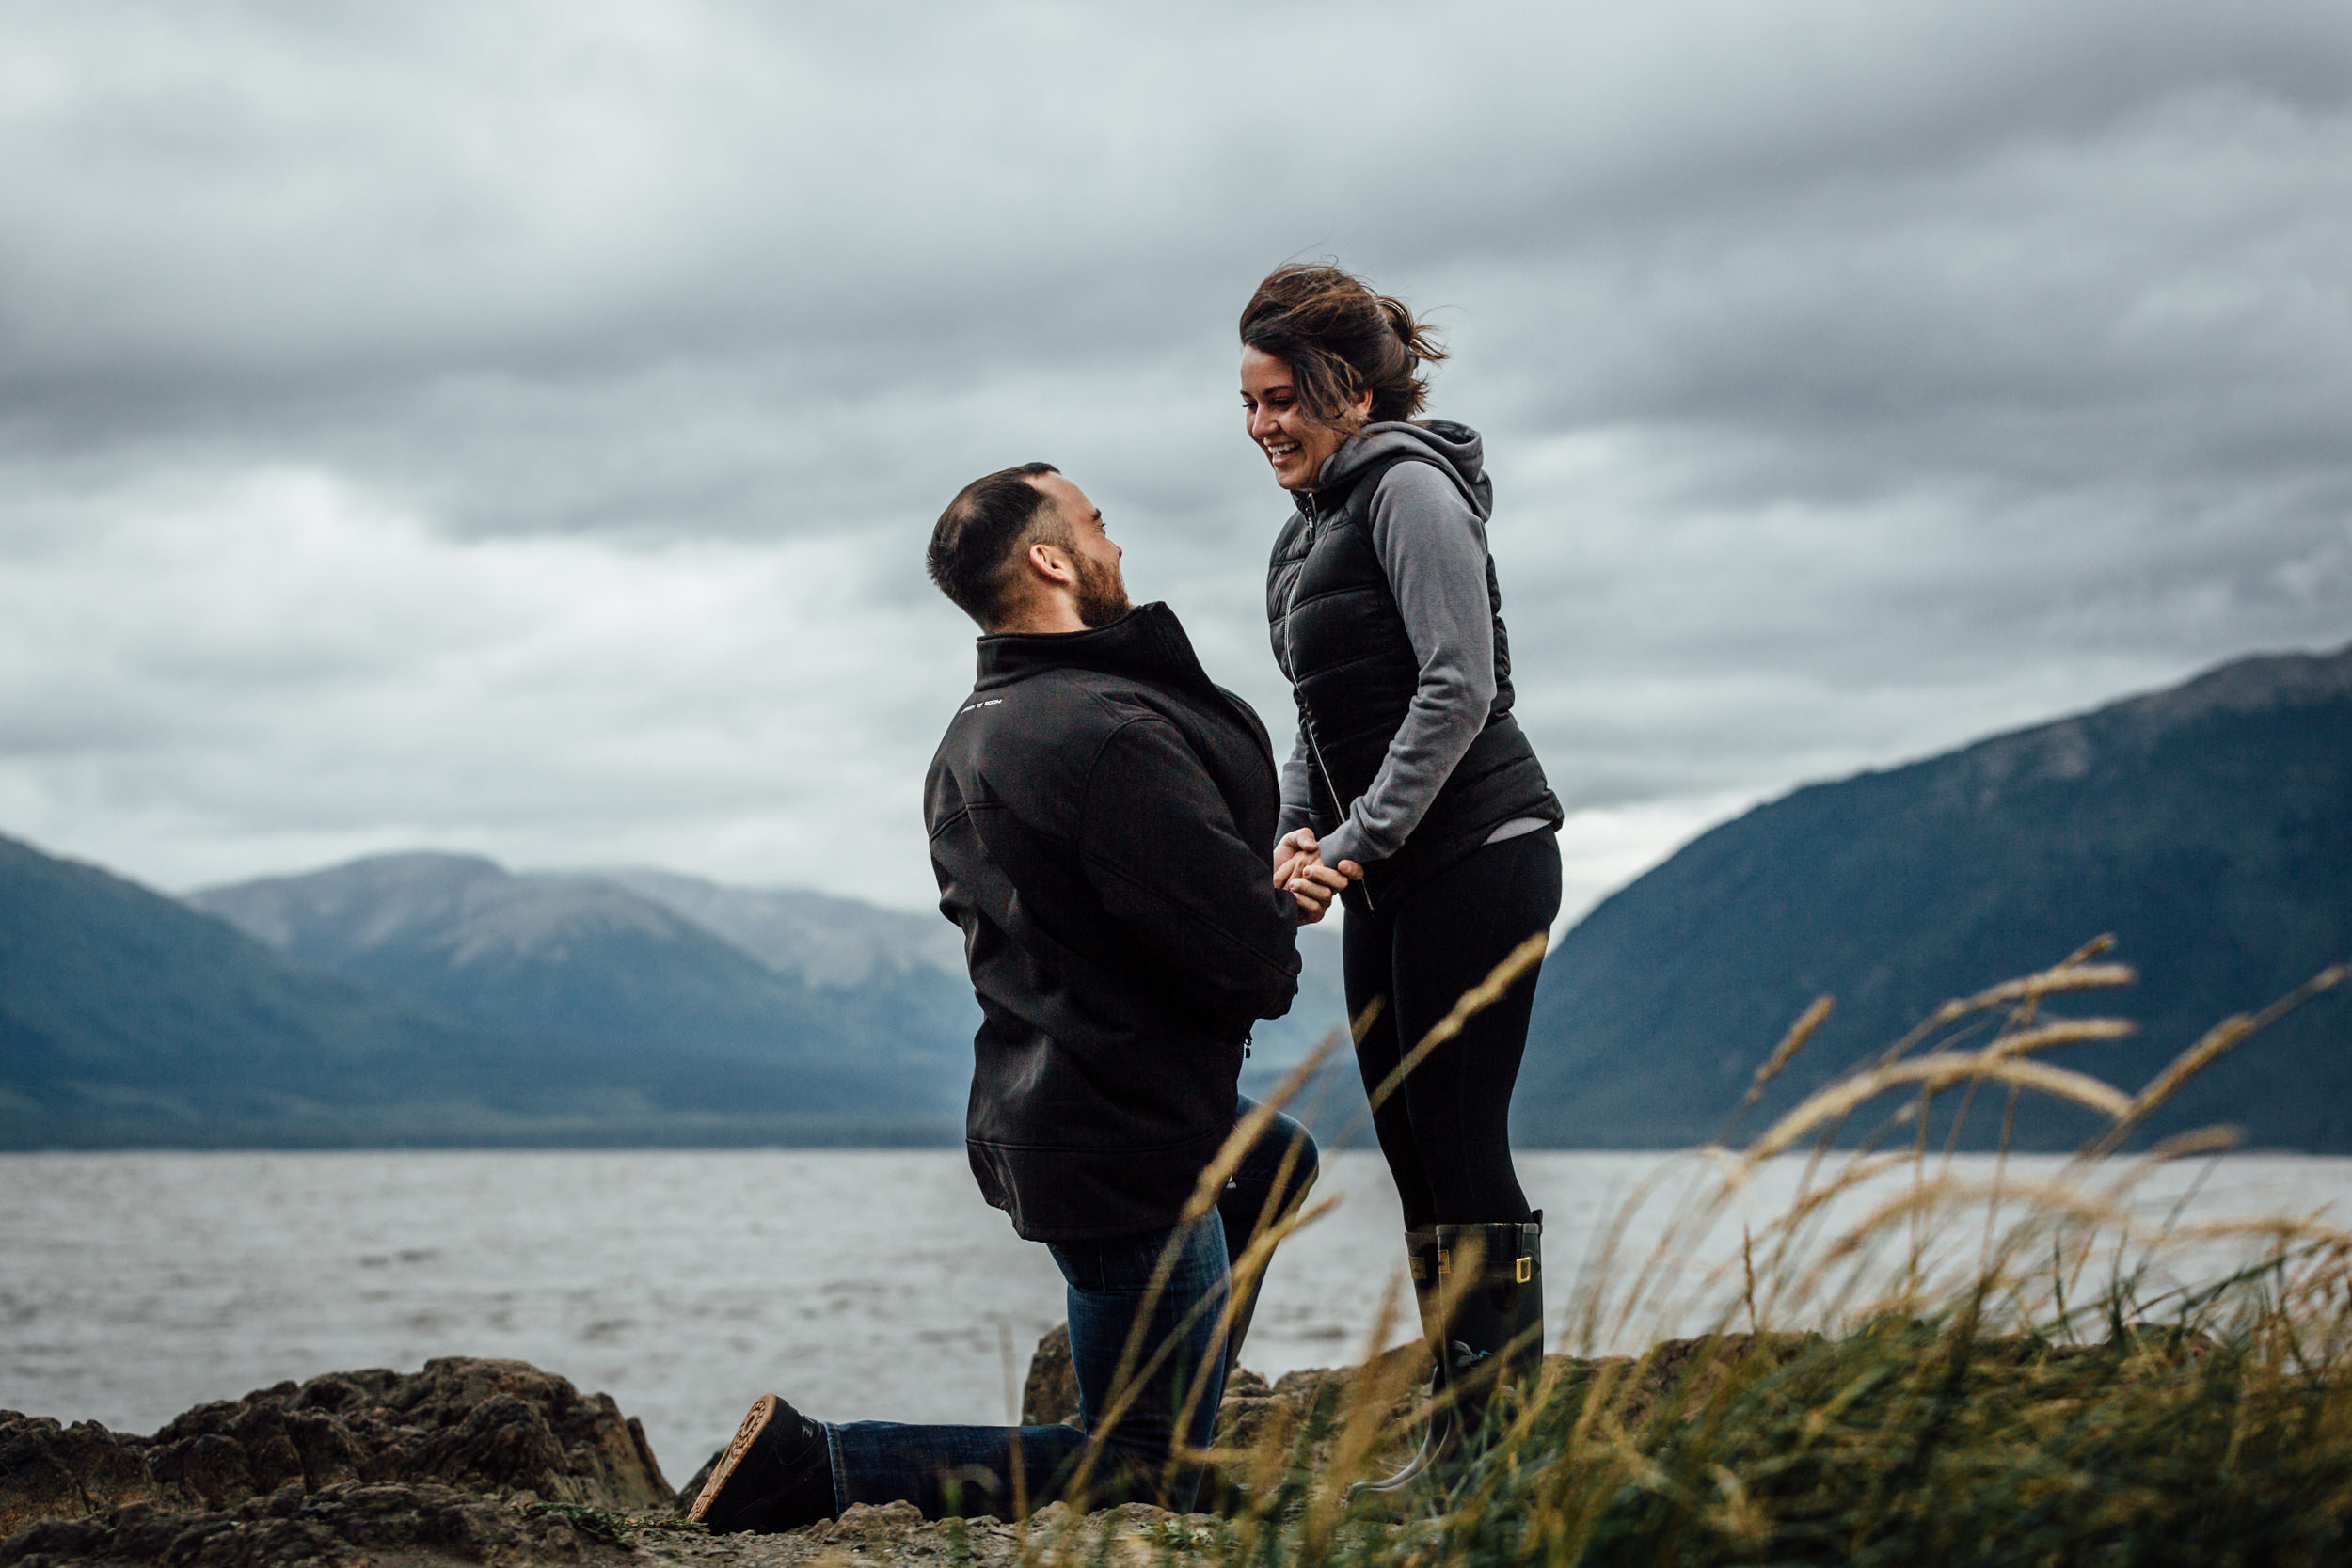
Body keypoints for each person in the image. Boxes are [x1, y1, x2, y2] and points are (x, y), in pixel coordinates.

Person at [688, 463, 1330, 1532]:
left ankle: (1176, 1444)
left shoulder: (974, 731)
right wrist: (1279, 903)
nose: (1115, 546)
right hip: (1124, 1137)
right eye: (1098, 524)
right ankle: (815, 1465)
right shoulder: (1105, 734)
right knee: (1123, 1460)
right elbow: (1246, 961)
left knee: (1270, 1157)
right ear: (1048, 557)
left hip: (1054, 1106)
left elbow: (1087, 917)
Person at [1240, 264, 1565, 1490]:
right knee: (1414, 1153)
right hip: (1386, 873)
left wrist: (1360, 836)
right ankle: (1457, 1446)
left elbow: (1459, 684)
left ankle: (1501, 1461)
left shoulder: (1413, 489)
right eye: (1249, 403)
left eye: (1283, 399)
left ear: (1349, 387)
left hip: (1478, 853)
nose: (1265, 423)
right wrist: (1298, 830)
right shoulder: (1308, 528)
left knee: (1464, 1142)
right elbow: (1317, 713)